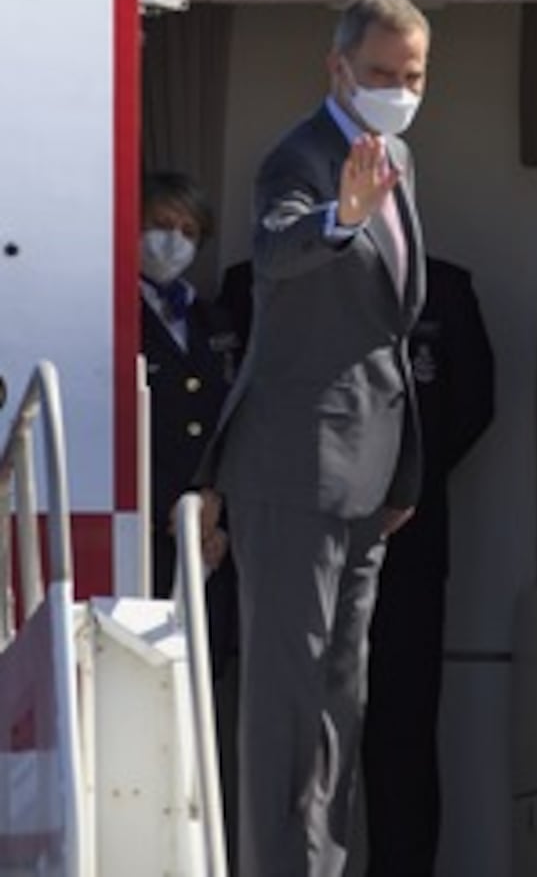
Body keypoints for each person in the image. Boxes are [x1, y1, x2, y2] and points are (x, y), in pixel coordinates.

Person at [195, 0, 430, 877]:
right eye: (380, 75)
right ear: (336, 67)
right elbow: (279, 250)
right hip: (293, 468)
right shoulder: (302, 157)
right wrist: (344, 218)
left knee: (341, 706)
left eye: (413, 77)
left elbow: (389, 328)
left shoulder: (398, 153)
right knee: (287, 709)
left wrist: (401, 473)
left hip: (367, 478)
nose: (399, 92)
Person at [362, 254, 494, 877]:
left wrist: (406, 482)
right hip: (301, 543)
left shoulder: (446, 286)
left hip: (410, 545)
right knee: (299, 737)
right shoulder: (268, 275)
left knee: (404, 730)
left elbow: (472, 405)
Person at [139, 170, 241, 870]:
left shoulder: (211, 318)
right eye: (160, 224)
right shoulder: (110, 308)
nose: (172, 241)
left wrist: (217, 497)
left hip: (207, 544)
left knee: (199, 709)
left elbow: (236, 417)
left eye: (188, 231)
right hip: (142, 534)